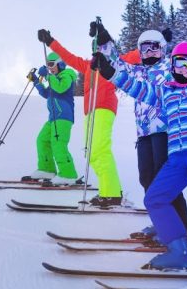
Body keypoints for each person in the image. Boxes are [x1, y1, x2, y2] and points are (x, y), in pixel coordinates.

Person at [91, 37, 187, 284]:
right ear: (171, 65)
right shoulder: (166, 91)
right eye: (179, 63)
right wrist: (109, 71)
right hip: (177, 157)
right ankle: (179, 252)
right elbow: (136, 87)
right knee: (155, 198)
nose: (184, 68)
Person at [91, 23, 187, 242]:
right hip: (144, 134)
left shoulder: (169, 67)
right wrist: (104, 40)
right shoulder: (138, 71)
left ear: (163, 49)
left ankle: (182, 230)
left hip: (165, 131)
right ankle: (162, 223)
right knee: (146, 177)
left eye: (154, 48)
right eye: (145, 48)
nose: (149, 53)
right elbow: (117, 64)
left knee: (165, 180)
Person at [37, 29, 123, 208]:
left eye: (100, 47)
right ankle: (107, 192)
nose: (96, 52)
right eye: (95, 48)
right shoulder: (88, 66)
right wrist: (50, 41)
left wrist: (106, 37)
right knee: (92, 153)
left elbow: (131, 57)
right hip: (90, 110)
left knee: (100, 150)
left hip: (104, 106)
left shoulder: (114, 62)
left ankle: (113, 194)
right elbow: (67, 57)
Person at [22, 53, 80, 185]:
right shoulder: (55, 78)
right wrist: (36, 81)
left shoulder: (67, 76)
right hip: (53, 118)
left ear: (60, 64)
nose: (50, 68)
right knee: (42, 140)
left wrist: (48, 76)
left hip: (64, 117)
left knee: (58, 143)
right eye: (48, 66)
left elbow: (60, 89)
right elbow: (46, 93)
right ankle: (47, 169)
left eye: (52, 65)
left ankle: (68, 174)